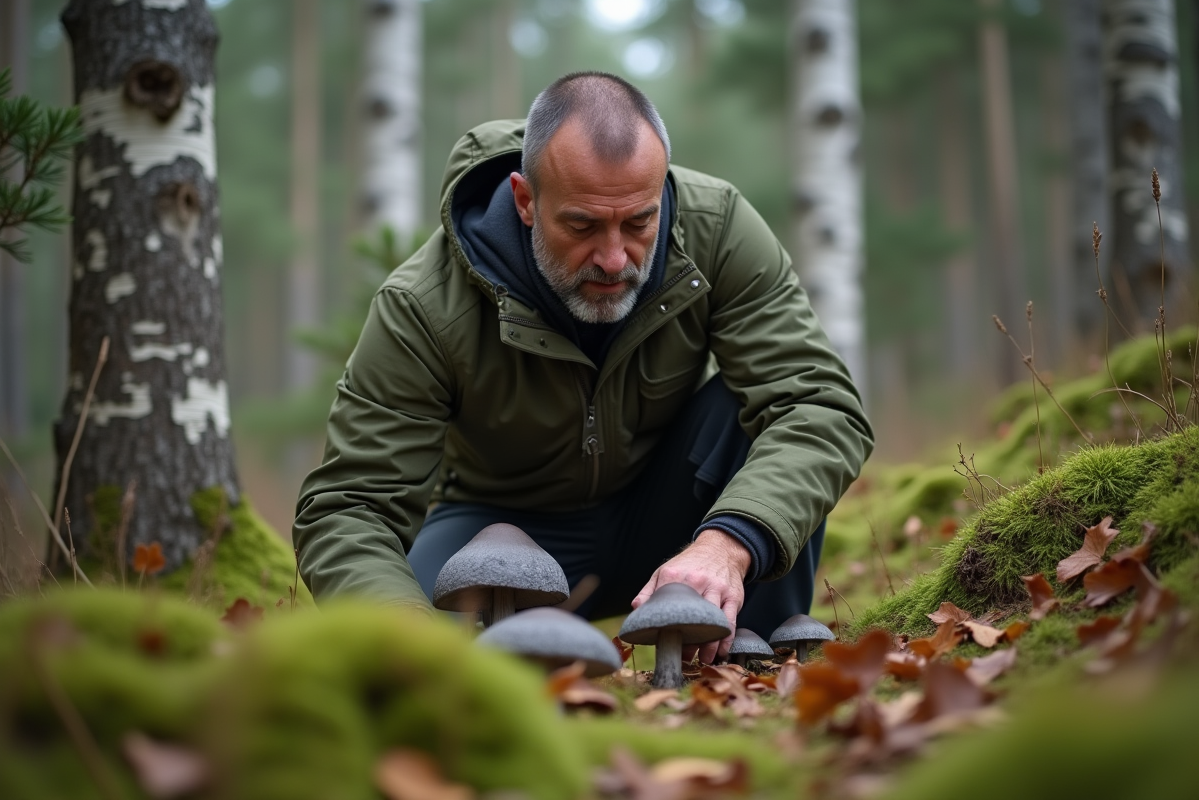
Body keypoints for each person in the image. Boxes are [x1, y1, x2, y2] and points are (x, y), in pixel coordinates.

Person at [294, 72, 873, 664]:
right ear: (525, 200)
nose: (614, 257)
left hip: (673, 520)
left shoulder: (718, 229)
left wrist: (727, 544)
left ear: (661, 189)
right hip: (495, 542)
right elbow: (349, 506)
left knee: (747, 413)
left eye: (639, 221)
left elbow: (819, 404)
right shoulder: (424, 304)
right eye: (582, 225)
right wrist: (404, 635)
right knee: (406, 623)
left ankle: (752, 666)